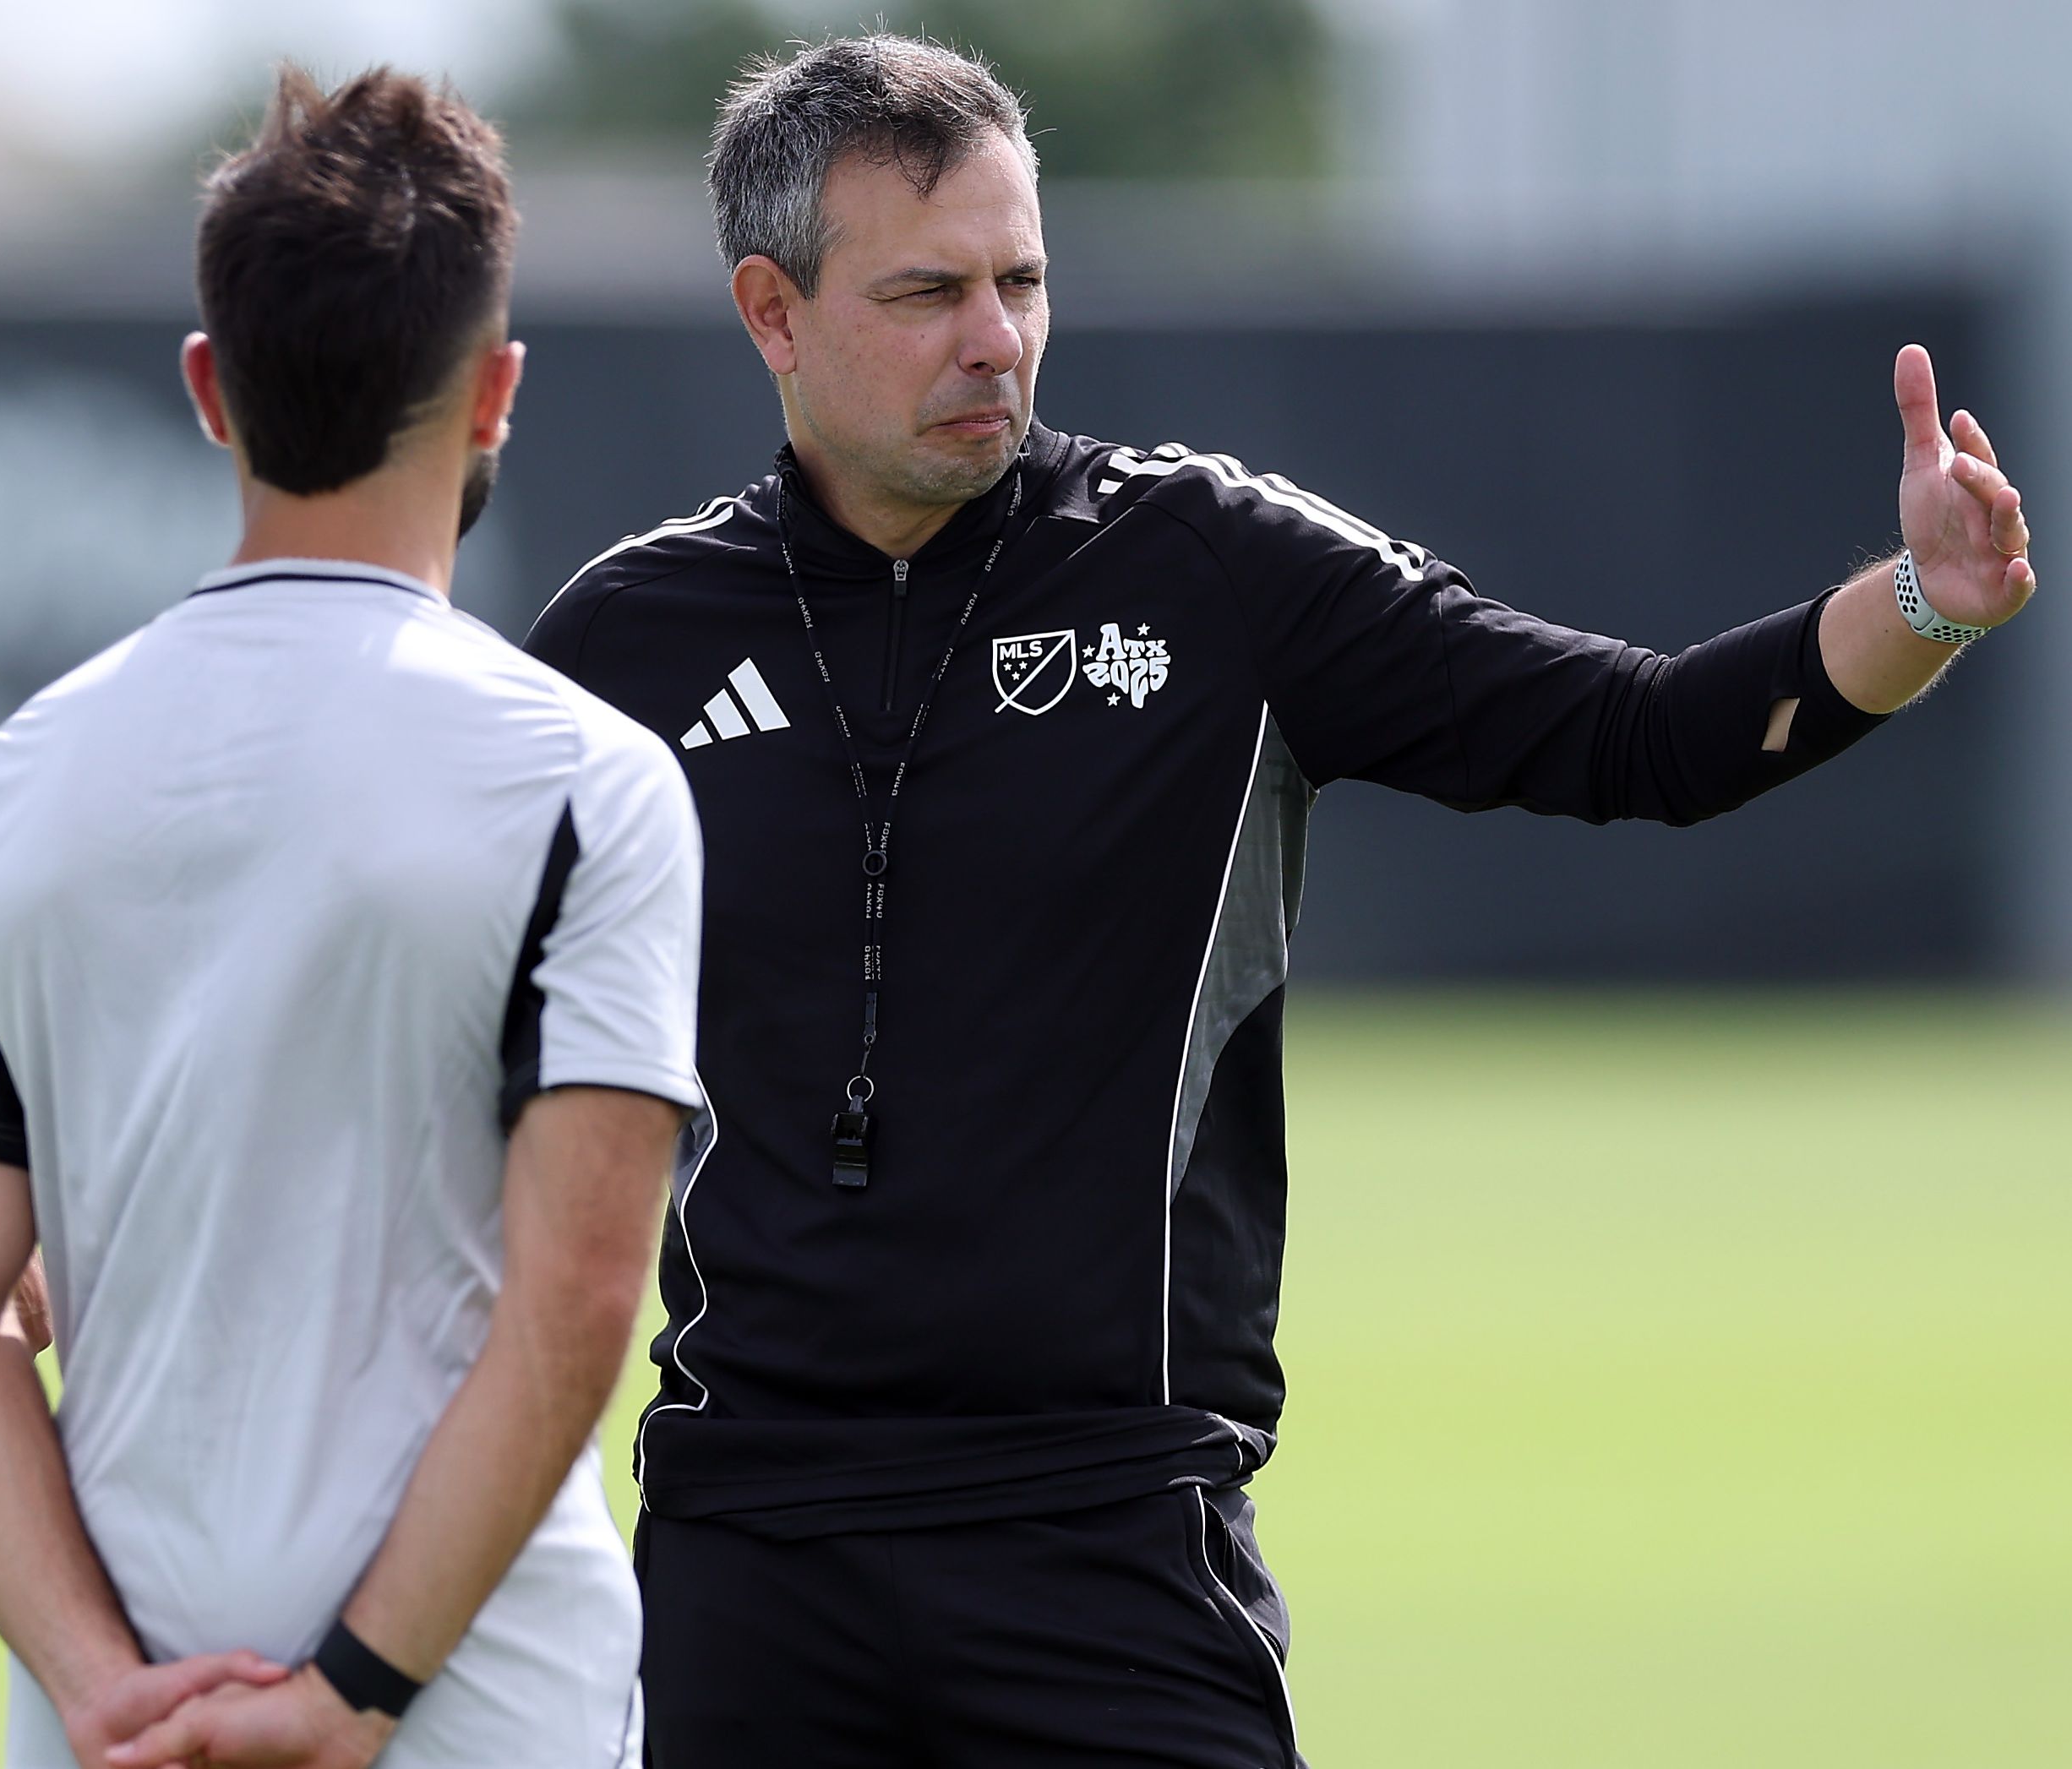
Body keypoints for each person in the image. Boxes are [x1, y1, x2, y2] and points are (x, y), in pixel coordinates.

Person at [512, 35, 2036, 1769]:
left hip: (1110, 1541)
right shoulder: (623, 645)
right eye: (926, 291)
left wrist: (1921, 599)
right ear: (770, 312)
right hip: (746, 1554)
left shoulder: (1206, 566)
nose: (991, 339)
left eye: (1019, 280)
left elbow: (1642, 736)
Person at [0, 67, 706, 1769]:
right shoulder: (588, 786)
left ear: (203, 388)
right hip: (484, 1716)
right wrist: (347, 1697)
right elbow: (576, 1304)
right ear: (495, 396)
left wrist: (100, 1692)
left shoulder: (6, 801)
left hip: (120, 1731)